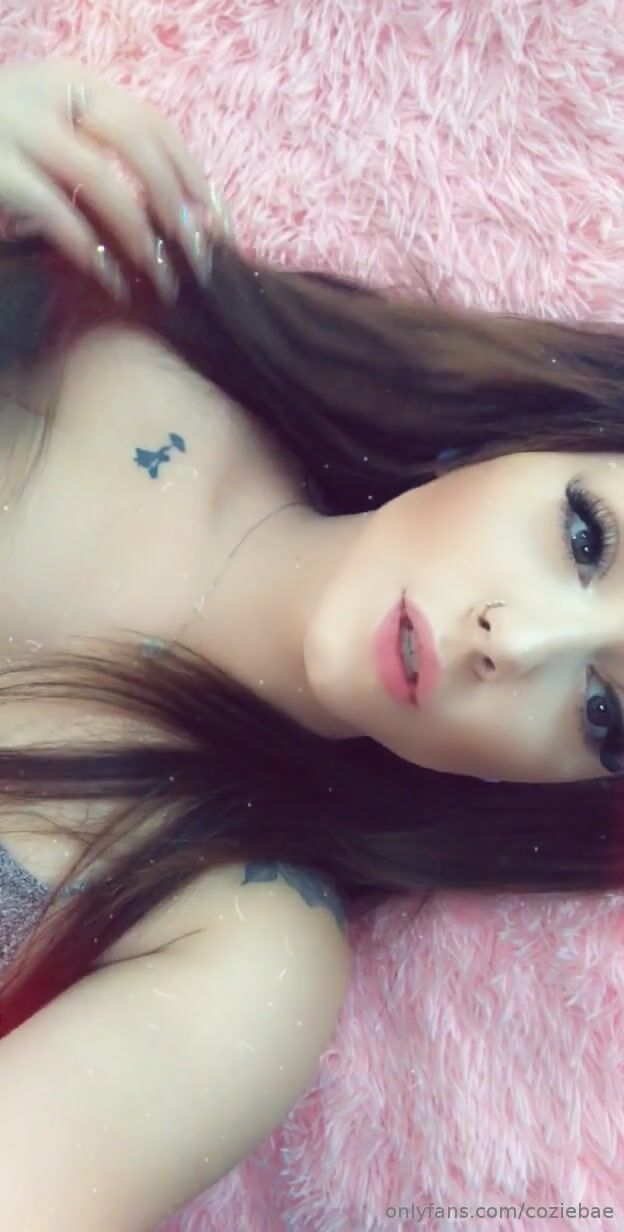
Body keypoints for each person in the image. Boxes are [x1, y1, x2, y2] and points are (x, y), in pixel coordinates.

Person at [0, 54, 621, 1225]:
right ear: (535, 440)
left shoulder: (245, 945)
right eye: (585, 535)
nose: (517, 640)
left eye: (605, 712)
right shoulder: (116, 293)